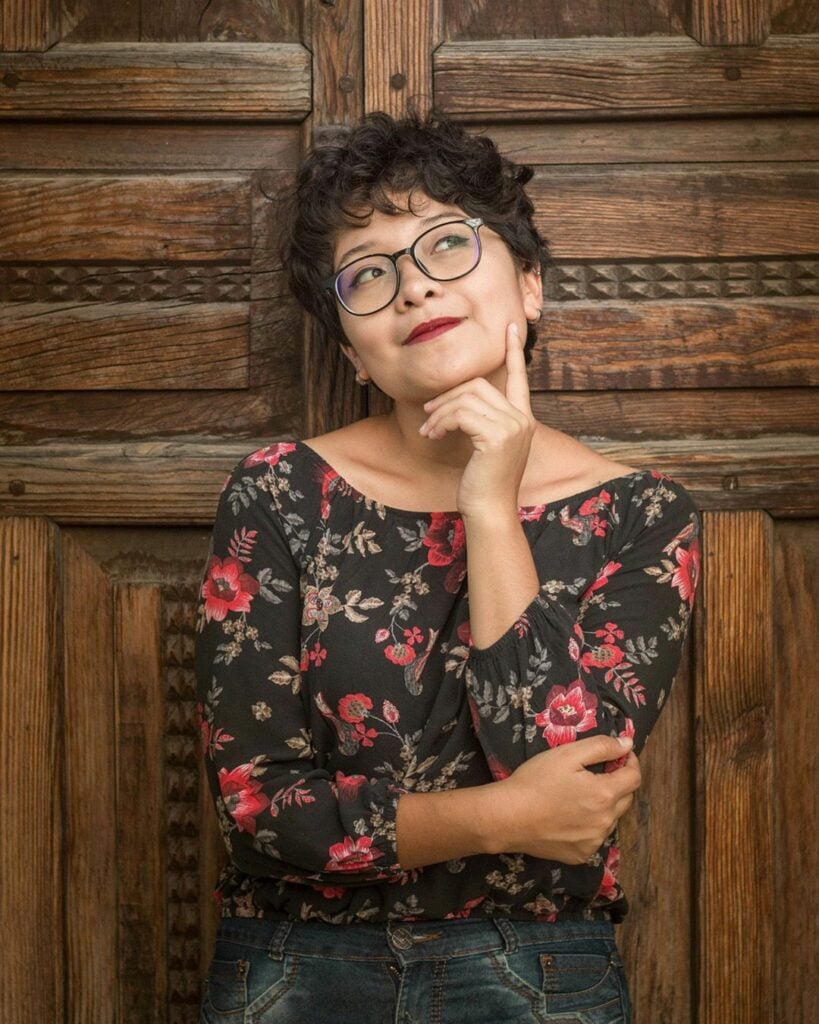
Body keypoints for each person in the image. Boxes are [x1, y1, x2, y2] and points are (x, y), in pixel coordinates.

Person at [194, 106, 701, 1024]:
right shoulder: (278, 491)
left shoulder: (642, 515)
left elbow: (570, 781)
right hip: (294, 969)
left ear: (530, 286)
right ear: (349, 349)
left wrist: (490, 506)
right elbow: (258, 810)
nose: (414, 289)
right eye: (368, 273)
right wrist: (504, 818)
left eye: (446, 246)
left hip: (539, 973)